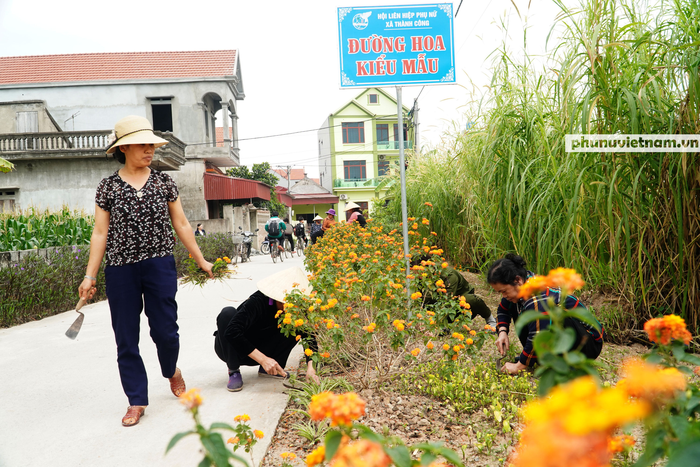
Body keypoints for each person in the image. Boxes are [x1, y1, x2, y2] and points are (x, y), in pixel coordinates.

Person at [78, 115, 214, 427]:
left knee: (166, 331)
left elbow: (180, 223)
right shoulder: (108, 187)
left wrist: (201, 259)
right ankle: (136, 399)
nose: (149, 149)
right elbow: (100, 233)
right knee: (126, 337)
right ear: (124, 148)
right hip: (121, 270)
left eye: (151, 144)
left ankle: (171, 370)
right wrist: (90, 275)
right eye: (143, 144)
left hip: (160, 264)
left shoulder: (165, 182)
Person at [487, 254, 604, 375]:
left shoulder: (536, 295)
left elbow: (537, 333)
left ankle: (568, 362)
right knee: (515, 305)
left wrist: (519, 365)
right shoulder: (521, 287)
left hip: (588, 342)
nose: (503, 295)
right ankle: (548, 359)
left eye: (504, 291)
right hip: (568, 336)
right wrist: (502, 332)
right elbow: (503, 309)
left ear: (518, 280)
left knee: (539, 316)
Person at [213, 267, 320, 391]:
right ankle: (233, 371)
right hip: (234, 350)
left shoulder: (297, 310)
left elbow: (309, 337)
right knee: (227, 313)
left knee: (296, 324)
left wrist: (311, 369)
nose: (293, 307)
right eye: (289, 303)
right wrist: (263, 360)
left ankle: (271, 369)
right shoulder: (258, 301)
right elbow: (232, 332)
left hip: (265, 349)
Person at [415, 257, 497, 328]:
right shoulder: (421, 279)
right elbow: (419, 301)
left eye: (417, 271)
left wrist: (440, 324)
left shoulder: (448, 275)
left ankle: (491, 320)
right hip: (439, 307)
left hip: (460, 304)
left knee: (471, 299)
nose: (415, 275)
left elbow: (448, 300)